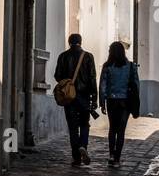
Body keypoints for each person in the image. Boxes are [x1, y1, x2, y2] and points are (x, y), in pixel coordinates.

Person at [54, 33, 98, 167]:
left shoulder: (63, 56)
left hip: (69, 97)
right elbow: (92, 78)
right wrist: (94, 98)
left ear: (69, 42)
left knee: (73, 127)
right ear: (80, 42)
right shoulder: (88, 56)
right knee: (84, 123)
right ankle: (83, 145)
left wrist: (68, 83)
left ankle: (76, 158)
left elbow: (57, 76)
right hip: (84, 96)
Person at [99, 41, 139, 168]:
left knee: (112, 129)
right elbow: (136, 85)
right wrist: (136, 102)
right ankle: (117, 159)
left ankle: (111, 154)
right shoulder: (131, 66)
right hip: (125, 101)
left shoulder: (107, 66)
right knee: (121, 130)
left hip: (111, 100)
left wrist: (102, 103)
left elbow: (102, 86)